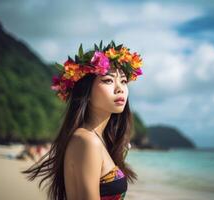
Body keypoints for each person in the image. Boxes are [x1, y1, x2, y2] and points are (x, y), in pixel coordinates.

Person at [22, 40, 142, 200]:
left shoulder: (96, 139)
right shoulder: (87, 140)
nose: (120, 88)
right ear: (87, 91)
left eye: (124, 81)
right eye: (108, 80)